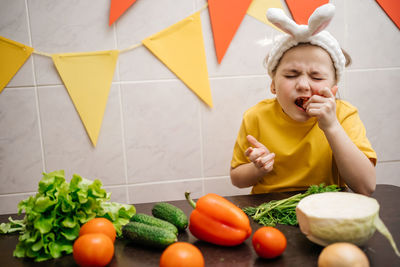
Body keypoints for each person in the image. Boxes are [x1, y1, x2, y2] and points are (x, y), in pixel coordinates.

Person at [230, 4, 376, 196]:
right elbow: (236, 179)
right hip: (270, 211)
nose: (303, 85)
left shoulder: (344, 115)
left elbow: (366, 187)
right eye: (291, 75)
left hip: (329, 210)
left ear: (333, 89)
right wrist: (257, 168)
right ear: (273, 85)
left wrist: (332, 127)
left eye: (316, 77)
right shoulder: (256, 116)